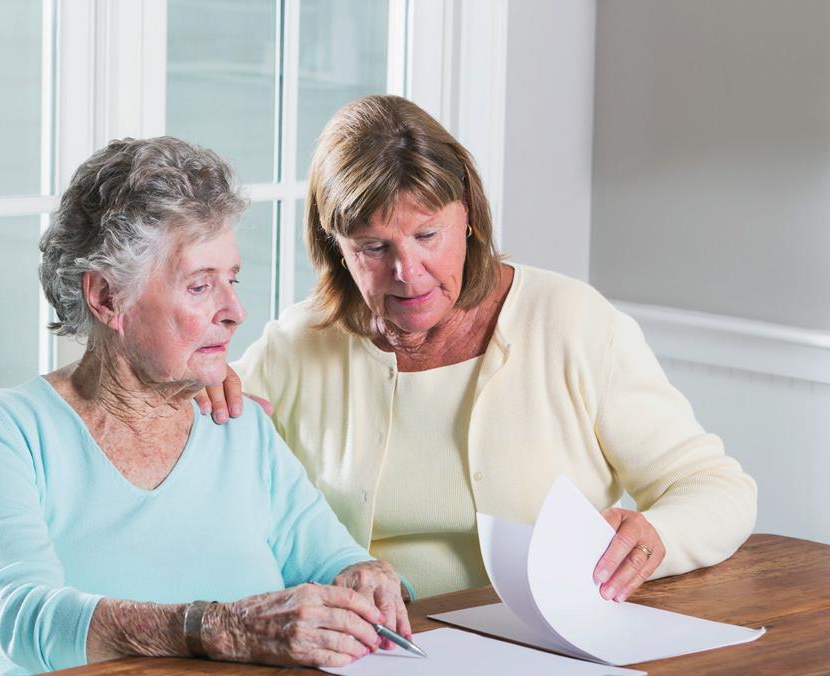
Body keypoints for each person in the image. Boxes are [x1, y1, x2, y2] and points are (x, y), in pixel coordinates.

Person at [200, 95, 757, 601]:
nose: (407, 273)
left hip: (545, 643)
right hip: (369, 651)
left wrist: (657, 535)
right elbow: (200, 470)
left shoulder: (573, 322)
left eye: (427, 236)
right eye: (374, 247)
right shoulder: (298, 345)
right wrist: (195, 391)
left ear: (467, 214)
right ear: (335, 247)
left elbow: (716, 489)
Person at [0, 137, 410, 676]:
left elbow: (333, 559)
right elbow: (23, 617)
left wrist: (367, 577)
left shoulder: (237, 426)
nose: (234, 312)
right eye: (201, 285)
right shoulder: (0, 428)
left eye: (233, 278)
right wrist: (219, 628)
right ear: (107, 298)